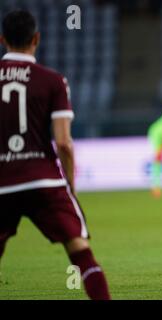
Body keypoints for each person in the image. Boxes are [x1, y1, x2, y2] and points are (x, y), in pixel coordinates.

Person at [0, 10, 110, 299]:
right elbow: (63, 143)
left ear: (2, 40)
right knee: (81, 253)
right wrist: (70, 185)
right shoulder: (52, 80)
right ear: (37, 38)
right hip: (44, 181)